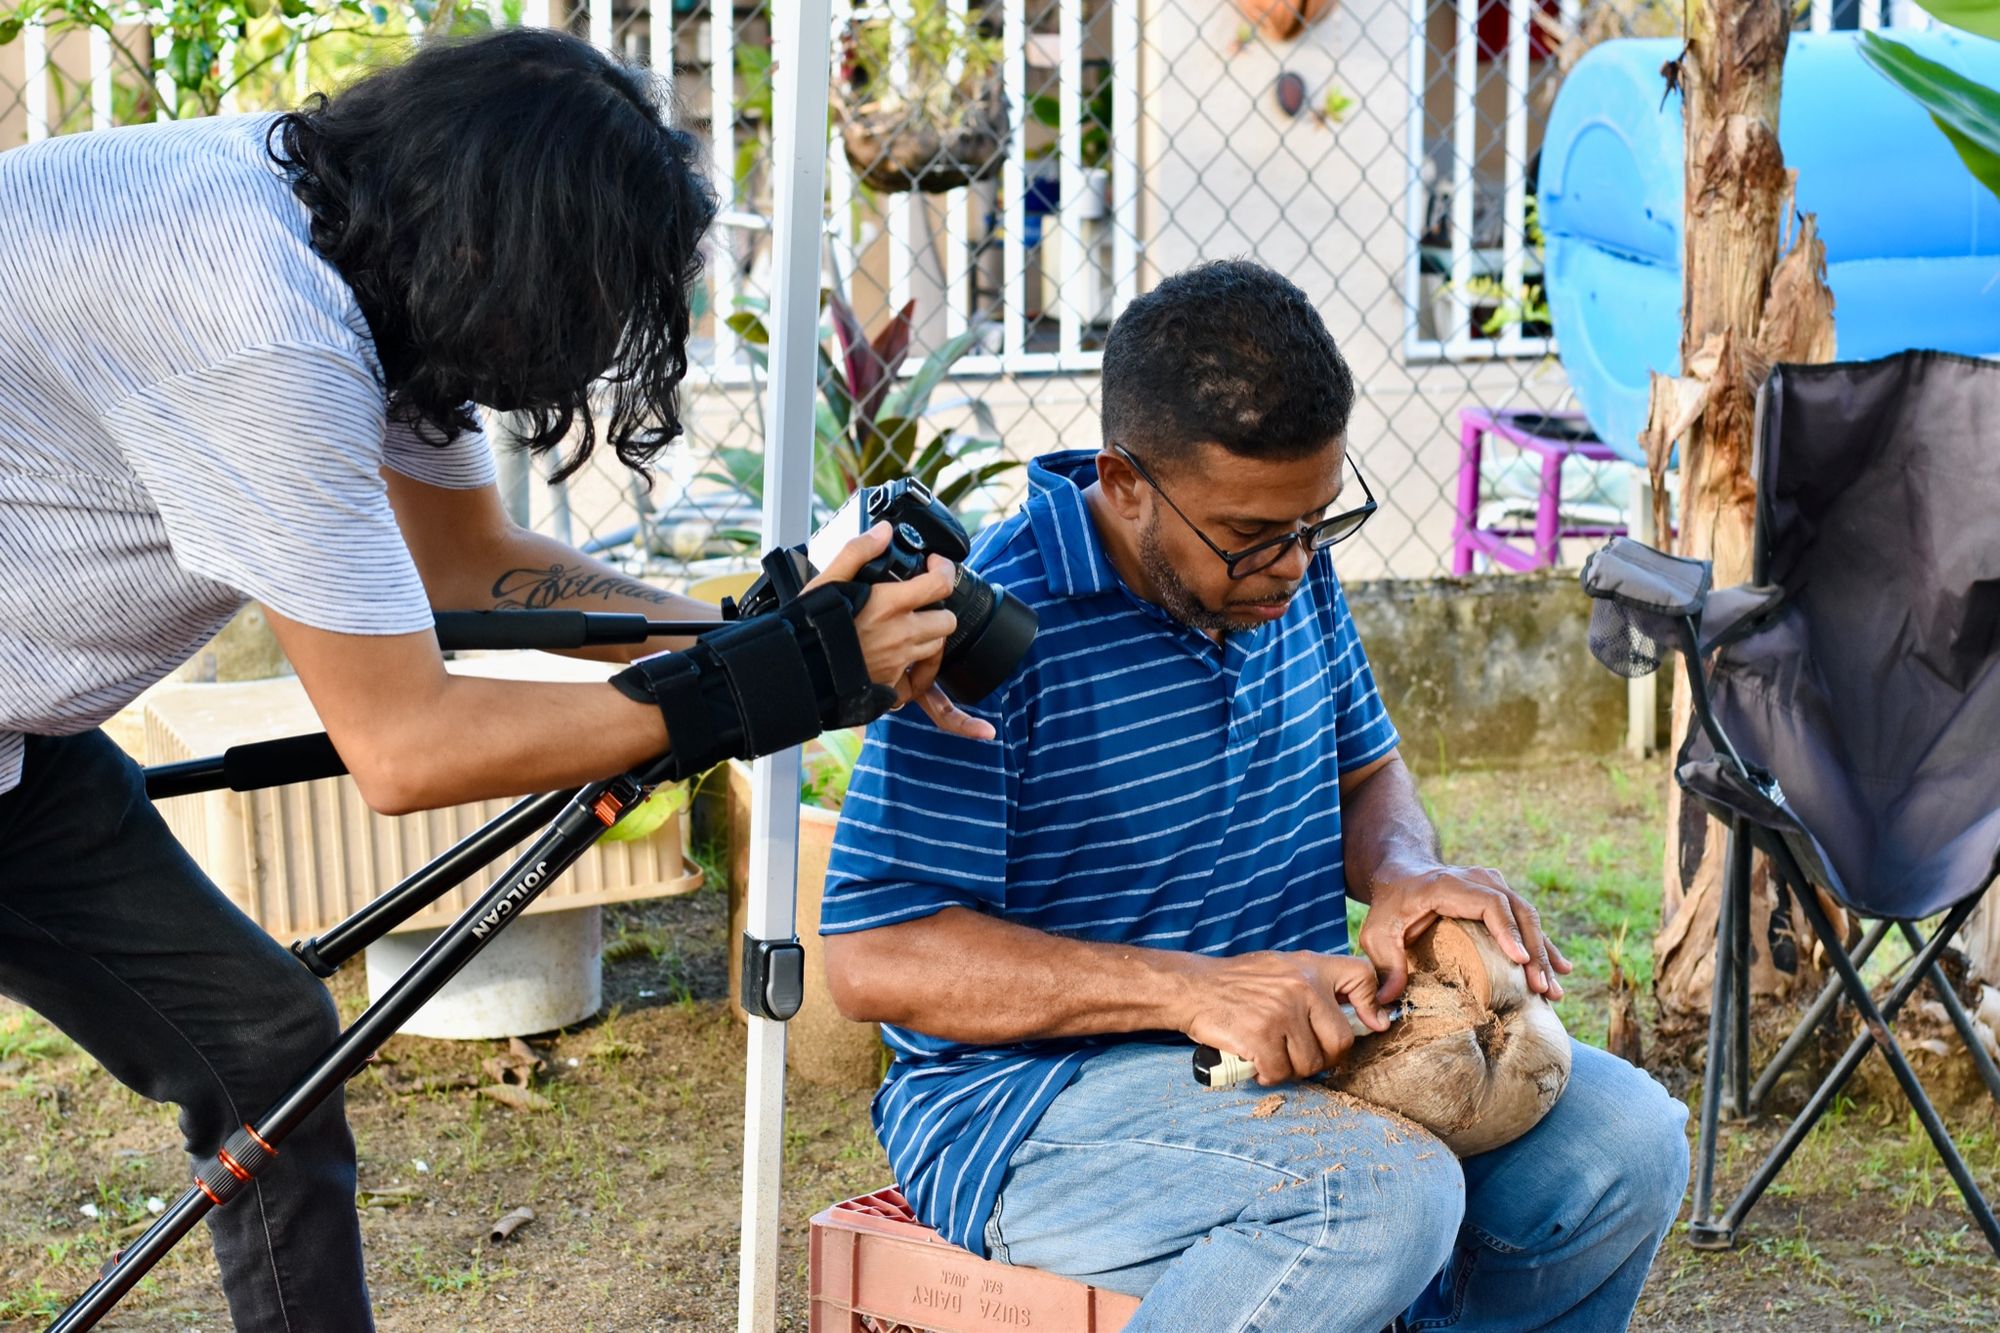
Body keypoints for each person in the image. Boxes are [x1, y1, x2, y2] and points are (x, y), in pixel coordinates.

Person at [0, 29, 982, 1331]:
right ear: (516, 265)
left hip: (24, 733)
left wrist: (760, 632)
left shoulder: (357, 229)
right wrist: (753, 695)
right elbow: (409, 744)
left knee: (262, 1047)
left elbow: (480, 556)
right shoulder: (267, 336)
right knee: (263, 1048)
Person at [820, 261, 1690, 1331]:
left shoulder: (1282, 566)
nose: (1289, 566)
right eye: (1249, 537)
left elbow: (1366, 771)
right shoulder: (988, 632)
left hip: (1298, 1059)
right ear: (1124, 481)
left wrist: (1403, 870)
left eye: (1315, 522)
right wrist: (1194, 990)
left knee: (1625, 1143)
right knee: (1372, 1196)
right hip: (1029, 1112)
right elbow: (874, 955)